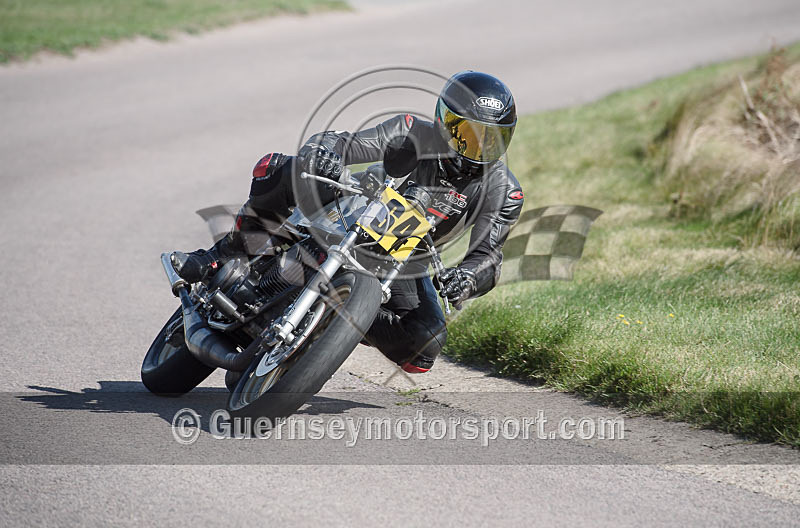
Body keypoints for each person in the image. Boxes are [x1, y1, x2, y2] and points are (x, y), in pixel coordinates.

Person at [172, 71, 524, 373]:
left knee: (426, 342)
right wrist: (322, 154)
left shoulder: (504, 190)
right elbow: (344, 143)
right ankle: (220, 254)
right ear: (444, 121)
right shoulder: (412, 131)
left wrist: (466, 279)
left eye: (492, 139)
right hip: (355, 208)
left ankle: (337, 328)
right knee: (285, 168)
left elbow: (488, 258)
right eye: (467, 132)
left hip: (403, 258)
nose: (478, 147)